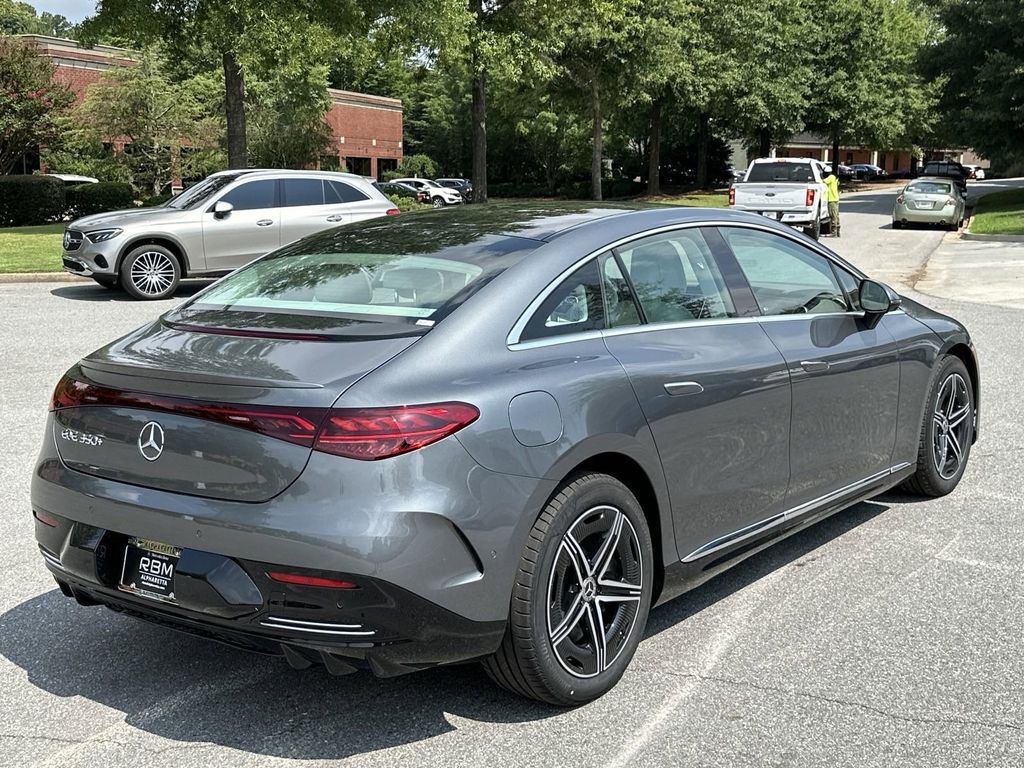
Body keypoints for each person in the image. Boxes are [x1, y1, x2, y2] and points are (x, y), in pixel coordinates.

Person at [822, 165, 840, 237]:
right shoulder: (833, 177)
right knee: (836, 215)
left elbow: (823, 181)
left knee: (833, 216)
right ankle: (837, 232)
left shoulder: (831, 177)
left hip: (832, 199)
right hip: (834, 198)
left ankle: (834, 232)